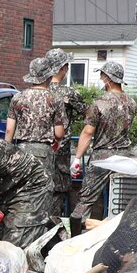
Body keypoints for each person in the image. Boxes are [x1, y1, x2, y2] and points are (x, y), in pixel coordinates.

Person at [71, 61, 136, 220]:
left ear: (109, 78)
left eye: (102, 75)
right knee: (120, 201)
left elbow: (88, 132)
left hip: (102, 157)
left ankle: (74, 235)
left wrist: (77, 158)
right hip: (124, 156)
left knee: (86, 199)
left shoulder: (100, 103)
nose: (100, 78)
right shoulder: (132, 103)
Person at [5, 58, 64, 186]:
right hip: (44, 152)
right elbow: (59, 133)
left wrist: (7, 152)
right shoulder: (55, 99)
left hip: (21, 150)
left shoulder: (17, 97)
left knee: (21, 189)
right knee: (42, 191)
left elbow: (9, 130)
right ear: (48, 76)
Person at [45, 48, 87, 200]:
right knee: (59, 190)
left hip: (39, 147)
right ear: (62, 68)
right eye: (67, 66)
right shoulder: (69, 93)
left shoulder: (37, 92)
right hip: (61, 148)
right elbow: (89, 115)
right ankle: (56, 223)